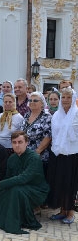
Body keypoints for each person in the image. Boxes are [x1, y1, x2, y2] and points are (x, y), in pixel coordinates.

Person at [0, 131, 49, 234]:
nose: (17, 145)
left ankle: (16, 221)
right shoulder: (12, 158)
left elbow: (23, 178)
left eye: (20, 142)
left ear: (26, 143)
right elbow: (8, 177)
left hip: (36, 190)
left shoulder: (34, 158)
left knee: (15, 190)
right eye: (14, 142)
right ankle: (8, 218)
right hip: (20, 187)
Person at [47, 87, 78, 224]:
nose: (65, 100)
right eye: (63, 97)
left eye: (68, 97)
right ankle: (62, 210)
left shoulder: (76, 113)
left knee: (70, 183)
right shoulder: (56, 115)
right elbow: (54, 134)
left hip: (73, 153)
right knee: (59, 181)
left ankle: (70, 211)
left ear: (73, 99)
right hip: (58, 152)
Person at [21, 92, 52, 174]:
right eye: (30, 100)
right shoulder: (27, 115)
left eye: (35, 100)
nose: (32, 102)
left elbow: (48, 137)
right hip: (25, 154)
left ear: (42, 103)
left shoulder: (47, 116)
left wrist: (36, 153)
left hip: (39, 156)